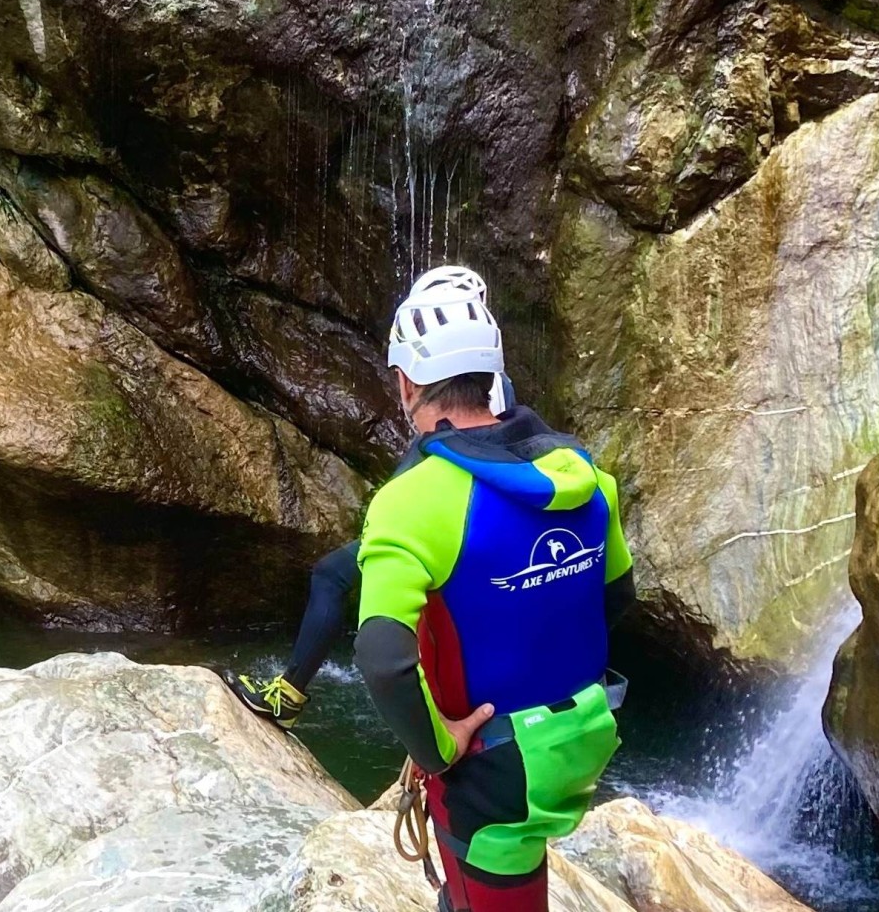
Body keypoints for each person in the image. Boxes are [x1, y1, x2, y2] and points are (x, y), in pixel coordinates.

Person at [353, 275, 635, 911]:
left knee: (491, 886)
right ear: (493, 378)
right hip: (584, 730)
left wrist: (437, 744)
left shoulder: (409, 503)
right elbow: (617, 600)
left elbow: (381, 657)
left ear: (406, 383)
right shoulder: (588, 478)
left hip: (490, 763)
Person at [224, 267, 516, 730]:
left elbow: (432, 454)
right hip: (483, 520)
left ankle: (290, 694)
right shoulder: (490, 381)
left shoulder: (450, 388)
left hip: (444, 518)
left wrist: (388, 517)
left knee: (333, 575)